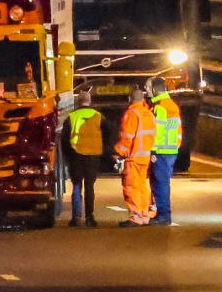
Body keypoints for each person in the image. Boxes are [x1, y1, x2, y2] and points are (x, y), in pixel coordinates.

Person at [61, 90, 110, 226]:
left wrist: (68, 155)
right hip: (93, 156)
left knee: (76, 186)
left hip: (76, 155)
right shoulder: (98, 116)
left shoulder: (71, 117)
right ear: (90, 101)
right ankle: (90, 217)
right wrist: (103, 150)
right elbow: (108, 133)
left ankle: (76, 217)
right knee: (89, 187)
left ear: (78, 102)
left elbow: (64, 139)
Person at [114, 88, 156, 227]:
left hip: (133, 157)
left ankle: (135, 216)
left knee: (131, 186)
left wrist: (119, 152)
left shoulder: (131, 113)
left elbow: (127, 137)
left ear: (129, 99)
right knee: (143, 186)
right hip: (145, 156)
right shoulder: (148, 114)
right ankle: (144, 214)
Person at [145, 76, 182, 225]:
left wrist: (152, 151)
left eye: (148, 88)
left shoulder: (160, 106)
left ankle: (164, 215)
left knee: (160, 183)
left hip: (161, 151)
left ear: (155, 89)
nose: (146, 91)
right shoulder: (170, 104)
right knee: (161, 182)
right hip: (169, 150)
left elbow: (158, 132)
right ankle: (162, 214)